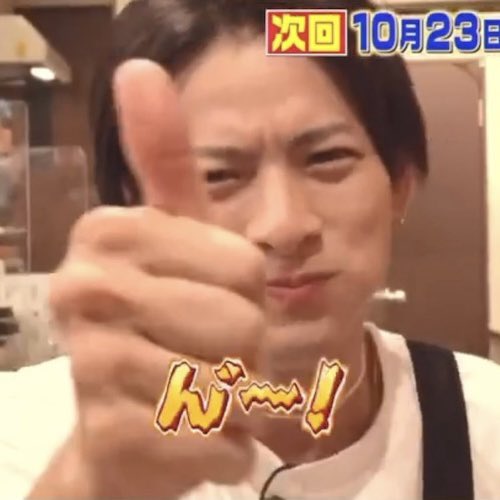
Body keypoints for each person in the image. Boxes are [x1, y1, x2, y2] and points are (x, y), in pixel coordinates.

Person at [0, 0, 499, 498]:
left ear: (400, 184)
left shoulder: (486, 422)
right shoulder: (22, 433)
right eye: (218, 175)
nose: (284, 225)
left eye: (328, 157)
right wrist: (90, 482)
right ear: (134, 207)